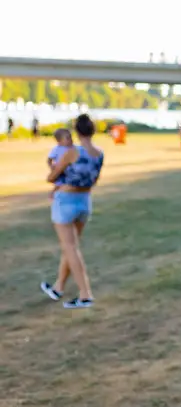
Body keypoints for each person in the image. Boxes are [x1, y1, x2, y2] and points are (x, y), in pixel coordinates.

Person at [39, 114, 104, 308]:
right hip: (85, 201)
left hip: (66, 201)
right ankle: (58, 287)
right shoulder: (99, 153)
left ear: (76, 132)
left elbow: (52, 177)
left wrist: (52, 168)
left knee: (70, 248)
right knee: (71, 247)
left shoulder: (71, 152)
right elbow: (92, 179)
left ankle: (85, 295)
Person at [47, 128, 74, 199]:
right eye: (67, 138)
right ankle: (53, 195)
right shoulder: (56, 149)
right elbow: (49, 159)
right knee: (59, 184)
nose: (71, 139)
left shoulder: (73, 148)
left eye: (71, 137)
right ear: (59, 141)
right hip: (60, 170)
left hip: (70, 170)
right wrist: (51, 167)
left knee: (70, 184)